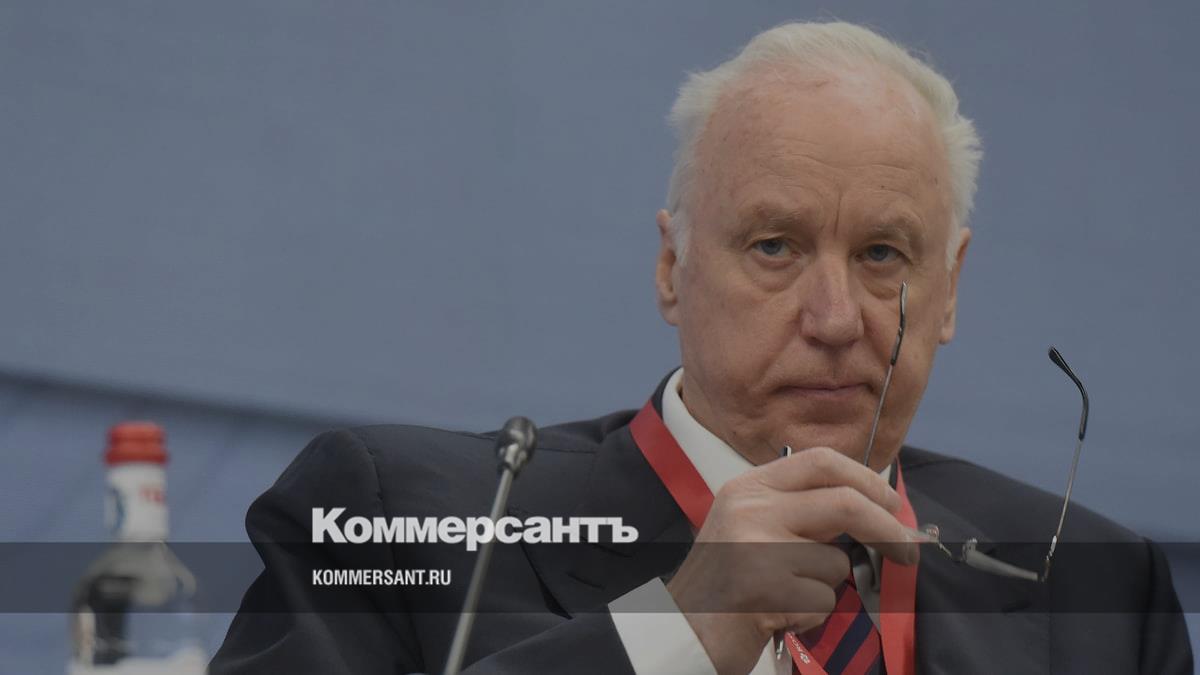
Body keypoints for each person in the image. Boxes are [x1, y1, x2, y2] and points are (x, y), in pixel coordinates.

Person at [211, 21, 1191, 674]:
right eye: (775, 246)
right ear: (672, 268)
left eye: (883, 255)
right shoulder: (400, 521)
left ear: (950, 289)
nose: (835, 318)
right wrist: (674, 632)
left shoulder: (1099, 586)